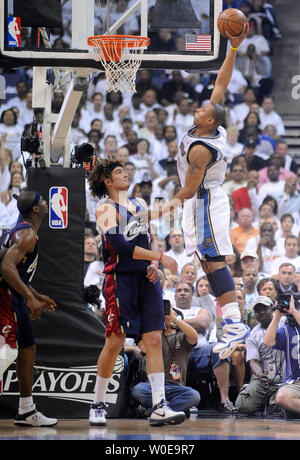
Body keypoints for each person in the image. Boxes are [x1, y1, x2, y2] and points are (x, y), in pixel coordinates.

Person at [151, 24, 250, 359]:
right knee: (209, 263)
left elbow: (189, 190)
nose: (197, 109)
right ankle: (233, 323)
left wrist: (158, 210)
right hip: (205, 201)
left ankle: (235, 324)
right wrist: (232, 48)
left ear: (210, 123)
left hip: (203, 202)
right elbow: (221, 82)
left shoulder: (200, 150)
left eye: (201, 112)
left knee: (214, 262)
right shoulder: (212, 122)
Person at [87, 159, 185, 427]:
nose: (125, 173)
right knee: (115, 342)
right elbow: (121, 246)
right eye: (119, 172)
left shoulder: (139, 206)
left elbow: (147, 239)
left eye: (125, 170)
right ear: (107, 181)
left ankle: (159, 406)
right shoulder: (105, 208)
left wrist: (153, 264)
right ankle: (97, 404)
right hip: (121, 279)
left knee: (153, 340)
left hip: (146, 278)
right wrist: (160, 257)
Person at [0, 191, 57, 427]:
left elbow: (19, 272)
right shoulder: (26, 235)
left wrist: (35, 295)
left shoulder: (25, 232)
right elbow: (6, 268)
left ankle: (26, 410)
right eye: (42, 201)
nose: (46, 203)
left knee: (27, 349)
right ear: (36, 210)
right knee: (7, 353)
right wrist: (29, 299)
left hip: (16, 297)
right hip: (6, 298)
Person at [131, 303, 200, 416]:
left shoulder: (182, 337)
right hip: (153, 386)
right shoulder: (154, 337)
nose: (167, 316)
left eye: (170, 312)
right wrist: (155, 321)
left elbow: (194, 336)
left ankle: (158, 410)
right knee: (138, 391)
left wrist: (175, 319)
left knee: (194, 396)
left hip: (177, 387)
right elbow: (143, 347)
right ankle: (173, 408)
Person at [235, 296, 286, 416]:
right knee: (243, 406)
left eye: (265, 308)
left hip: (286, 375)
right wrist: (259, 374)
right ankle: (259, 395)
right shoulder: (252, 335)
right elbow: (253, 361)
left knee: (279, 408)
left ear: (272, 308)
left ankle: (273, 401)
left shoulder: (284, 322)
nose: (261, 312)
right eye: (258, 310)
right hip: (265, 376)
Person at [263, 295, 300, 417]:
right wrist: (277, 316)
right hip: (296, 382)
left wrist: (294, 312)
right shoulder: (288, 330)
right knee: (281, 397)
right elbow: (268, 342)